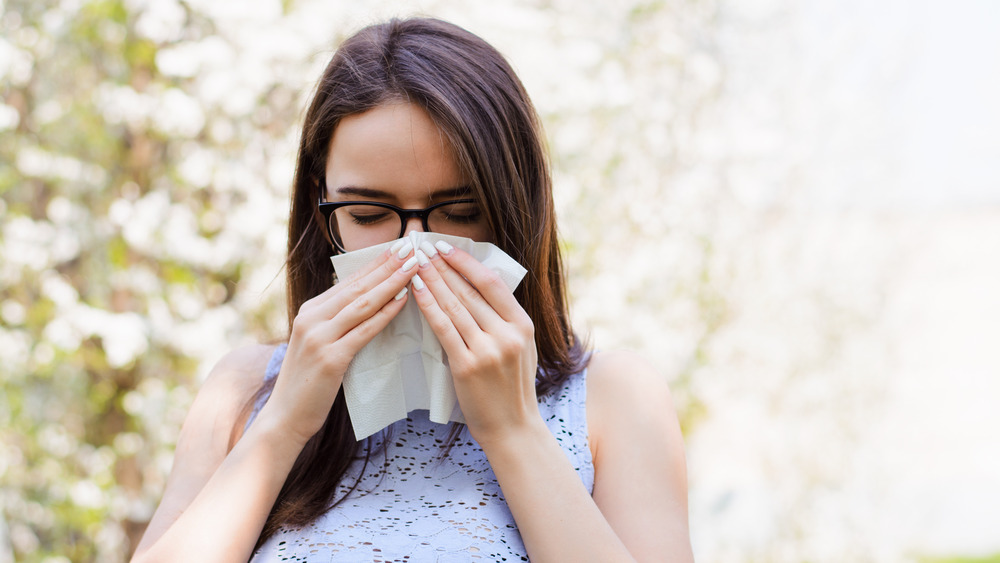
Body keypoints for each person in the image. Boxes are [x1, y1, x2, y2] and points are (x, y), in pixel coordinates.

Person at [133, 17, 692, 562]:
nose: (413, 249)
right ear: (321, 208)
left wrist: (513, 430)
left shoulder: (612, 398)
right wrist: (284, 425)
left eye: (460, 211)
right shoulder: (244, 390)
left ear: (514, 208)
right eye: (369, 213)